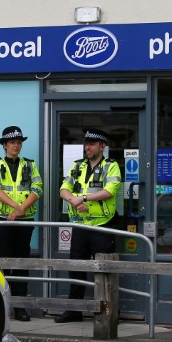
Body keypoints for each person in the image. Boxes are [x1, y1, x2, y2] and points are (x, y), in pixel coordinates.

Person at [55, 128, 122, 323]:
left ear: (103, 146)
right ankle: (74, 310)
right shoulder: (78, 166)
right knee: (76, 267)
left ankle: (108, 312)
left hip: (102, 225)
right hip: (80, 225)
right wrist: (74, 200)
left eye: (92, 144)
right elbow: (63, 189)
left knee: (104, 269)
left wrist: (83, 197)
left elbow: (110, 191)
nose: (88, 147)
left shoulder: (111, 166)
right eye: (86, 144)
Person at [0, 125, 43, 322]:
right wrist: (15, 208)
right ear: (4, 145)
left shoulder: (30, 164)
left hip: (24, 221)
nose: (16, 146)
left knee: (21, 262)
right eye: (12, 142)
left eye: (19, 142)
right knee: (3, 262)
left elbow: (38, 188)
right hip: (2, 220)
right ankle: (2, 305)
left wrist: (21, 209)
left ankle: (19, 307)